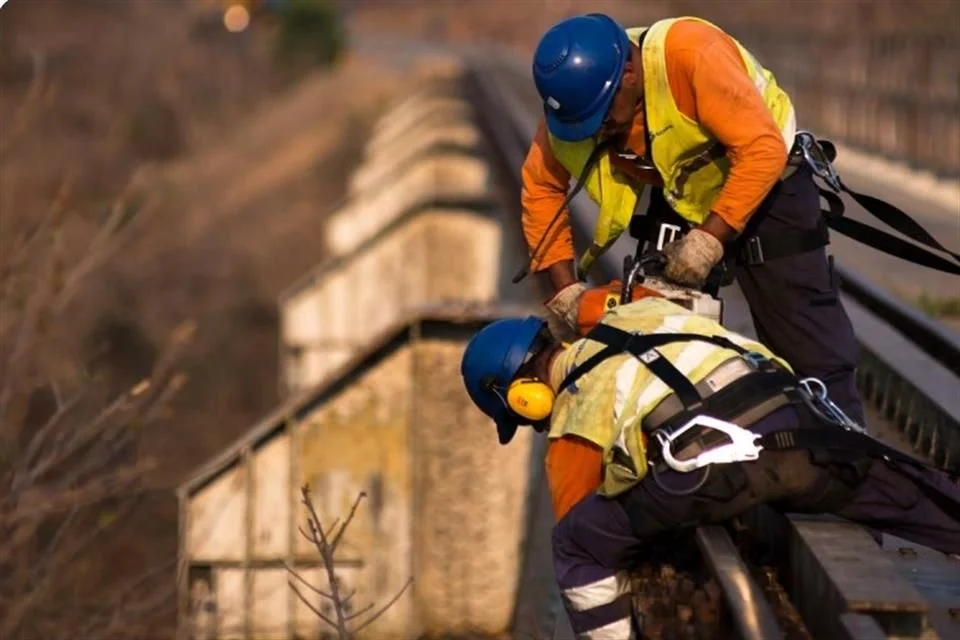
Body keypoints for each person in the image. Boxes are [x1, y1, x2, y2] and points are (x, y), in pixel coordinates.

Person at [459, 291, 960, 640]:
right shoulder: (641, 314)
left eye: (522, 417)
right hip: (801, 425)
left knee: (577, 545)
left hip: (720, 468)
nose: (535, 425)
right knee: (919, 497)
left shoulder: (574, 412)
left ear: (520, 395)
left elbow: (584, 522)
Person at [519, 13, 867, 425]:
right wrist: (564, 291)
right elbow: (540, 186)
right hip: (684, 196)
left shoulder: (690, 55)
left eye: (602, 117)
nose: (596, 132)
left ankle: (846, 448)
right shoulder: (578, 103)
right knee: (652, 331)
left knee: (808, 345)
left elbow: (760, 149)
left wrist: (709, 240)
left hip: (769, 181)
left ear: (629, 72)